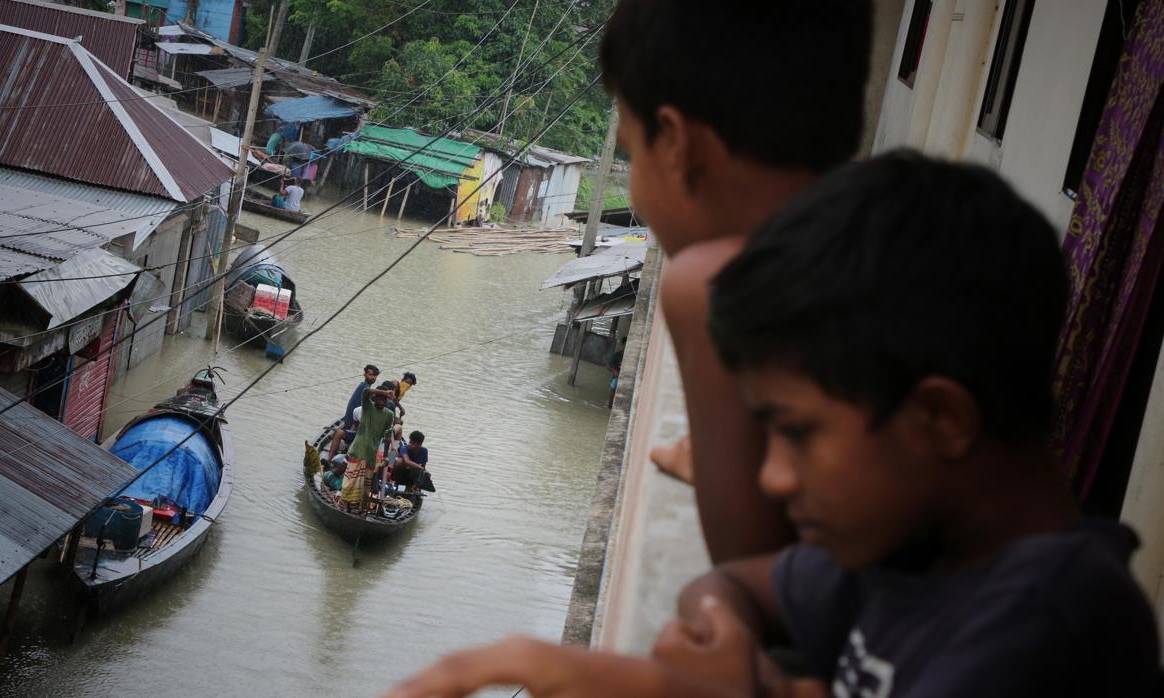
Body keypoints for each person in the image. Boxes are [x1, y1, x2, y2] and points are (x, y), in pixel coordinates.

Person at [382, 154, 1164, 697]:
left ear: (938, 418)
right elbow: (733, 585)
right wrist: (724, 630)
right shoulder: (908, 553)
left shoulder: (1047, 624)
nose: (775, 476)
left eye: (797, 432)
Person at [603, 0, 872, 564]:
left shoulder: (707, 285)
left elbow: (746, 565)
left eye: (630, 152)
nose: (632, 187)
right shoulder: (887, 231)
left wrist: (720, 456)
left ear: (677, 145)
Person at [340, 384, 396, 509]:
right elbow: (366, 391)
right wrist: (385, 392)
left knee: (365, 485)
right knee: (350, 482)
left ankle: (358, 507)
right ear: (374, 398)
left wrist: (386, 457)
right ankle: (345, 503)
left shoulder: (389, 415)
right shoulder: (367, 407)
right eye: (379, 397)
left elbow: (387, 436)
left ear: (386, 401)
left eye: (384, 398)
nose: (381, 400)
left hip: (371, 453)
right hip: (358, 450)